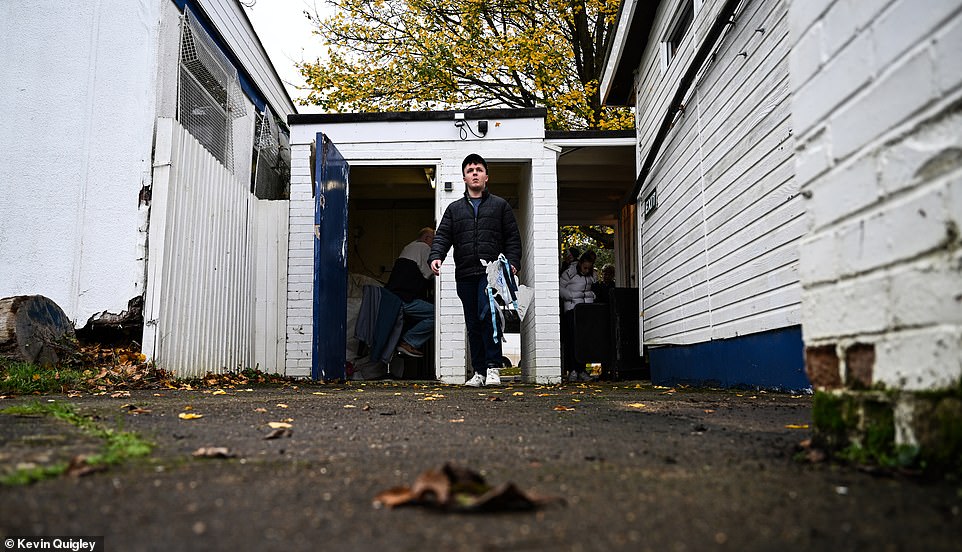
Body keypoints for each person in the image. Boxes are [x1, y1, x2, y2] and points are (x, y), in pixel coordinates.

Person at [430, 153, 522, 387]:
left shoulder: (500, 206)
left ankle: (493, 368)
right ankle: (479, 373)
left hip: (489, 274)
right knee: (472, 323)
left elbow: (512, 237)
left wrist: (513, 262)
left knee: (488, 317)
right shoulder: (454, 209)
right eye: (470, 170)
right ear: (464, 177)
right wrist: (436, 256)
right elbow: (442, 236)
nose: (474, 173)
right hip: (464, 274)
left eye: (478, 169)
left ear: (486, 177)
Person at [386, 227, 435, 358]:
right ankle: (407, 342)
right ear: (426, 238)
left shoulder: (408, 247)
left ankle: (404, 341)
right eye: (434, 240)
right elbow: (430, 273)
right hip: (403, 298)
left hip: (392, 298)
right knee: (436, 315)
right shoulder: (423, 248)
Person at [560, 251, 597, 382]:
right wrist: (570, 297)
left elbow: (593, 288)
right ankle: (573, 370)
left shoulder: (593, 275)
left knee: (584, 341)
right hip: (572, 310)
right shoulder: (569, 272)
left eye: (589, 268)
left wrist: (592, 297)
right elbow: (560, 287)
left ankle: (582, 369)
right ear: (580, 264)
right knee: (572, 340)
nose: (587, 270)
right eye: (585, 267)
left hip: (586, 310)